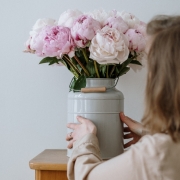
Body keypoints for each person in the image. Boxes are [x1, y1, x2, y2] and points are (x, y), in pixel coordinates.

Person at [66, 15, 180, 180]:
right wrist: (151, 134)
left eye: (152, 63)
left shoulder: (158, 154)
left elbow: (88, 177)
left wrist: (85, 141)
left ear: (164, 77)